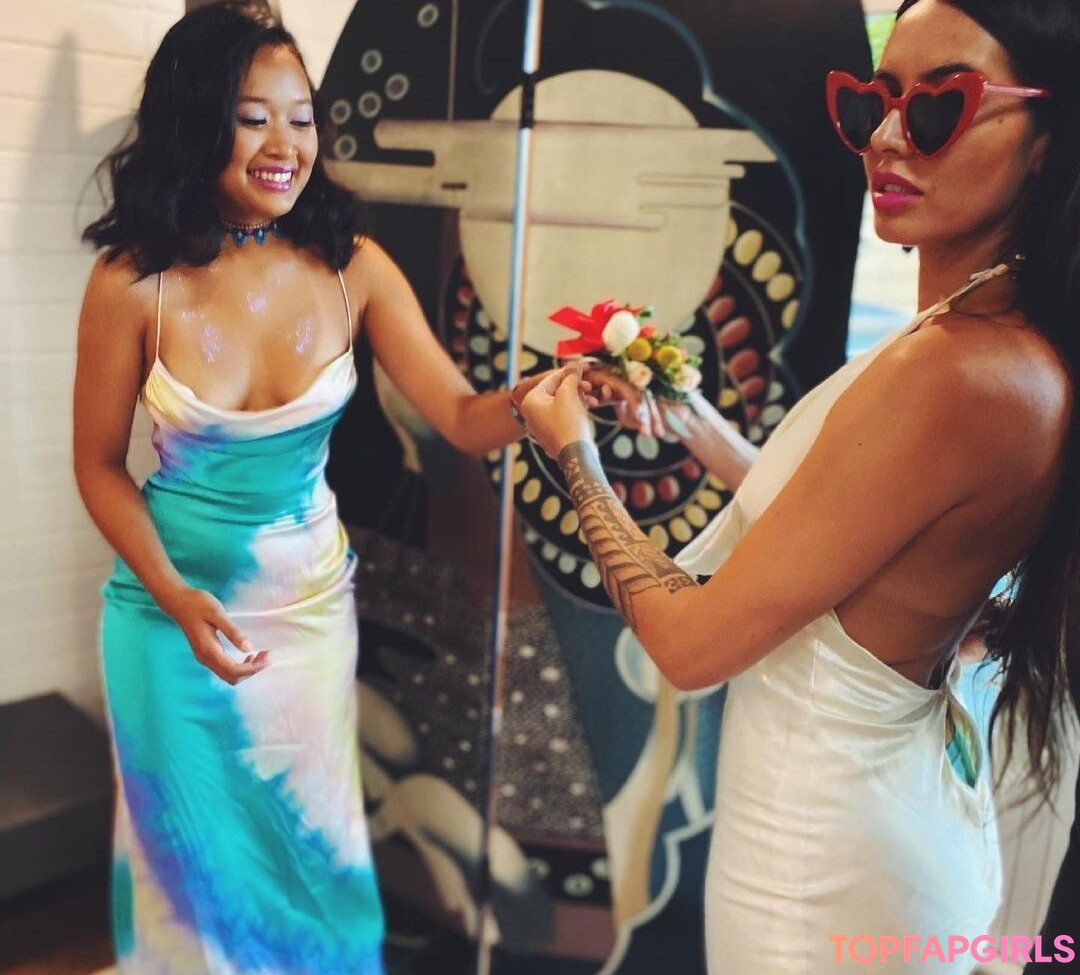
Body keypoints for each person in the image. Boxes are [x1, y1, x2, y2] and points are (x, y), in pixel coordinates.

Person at [521, 0, 1080, 971]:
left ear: (1044, 139)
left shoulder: (958, 369)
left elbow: (691, 644)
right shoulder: (983, 340)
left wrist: (574, 455)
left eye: (940, 105)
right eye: (871, 102)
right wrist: (694, 425)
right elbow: (850, 537)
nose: (889, 138)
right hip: (874, 806)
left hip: (821, 848)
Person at [73, 4, 550, 971]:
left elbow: (464, 418)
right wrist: (173, 594)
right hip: (168, 622)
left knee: (310, 862)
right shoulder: (131, 282)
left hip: (305, 618)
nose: (286, 145)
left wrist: (550, 398)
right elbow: (97, 464)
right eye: (254, 118)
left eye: (302, 118)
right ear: (195, 121)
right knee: (190, 880)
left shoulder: (352, 268)